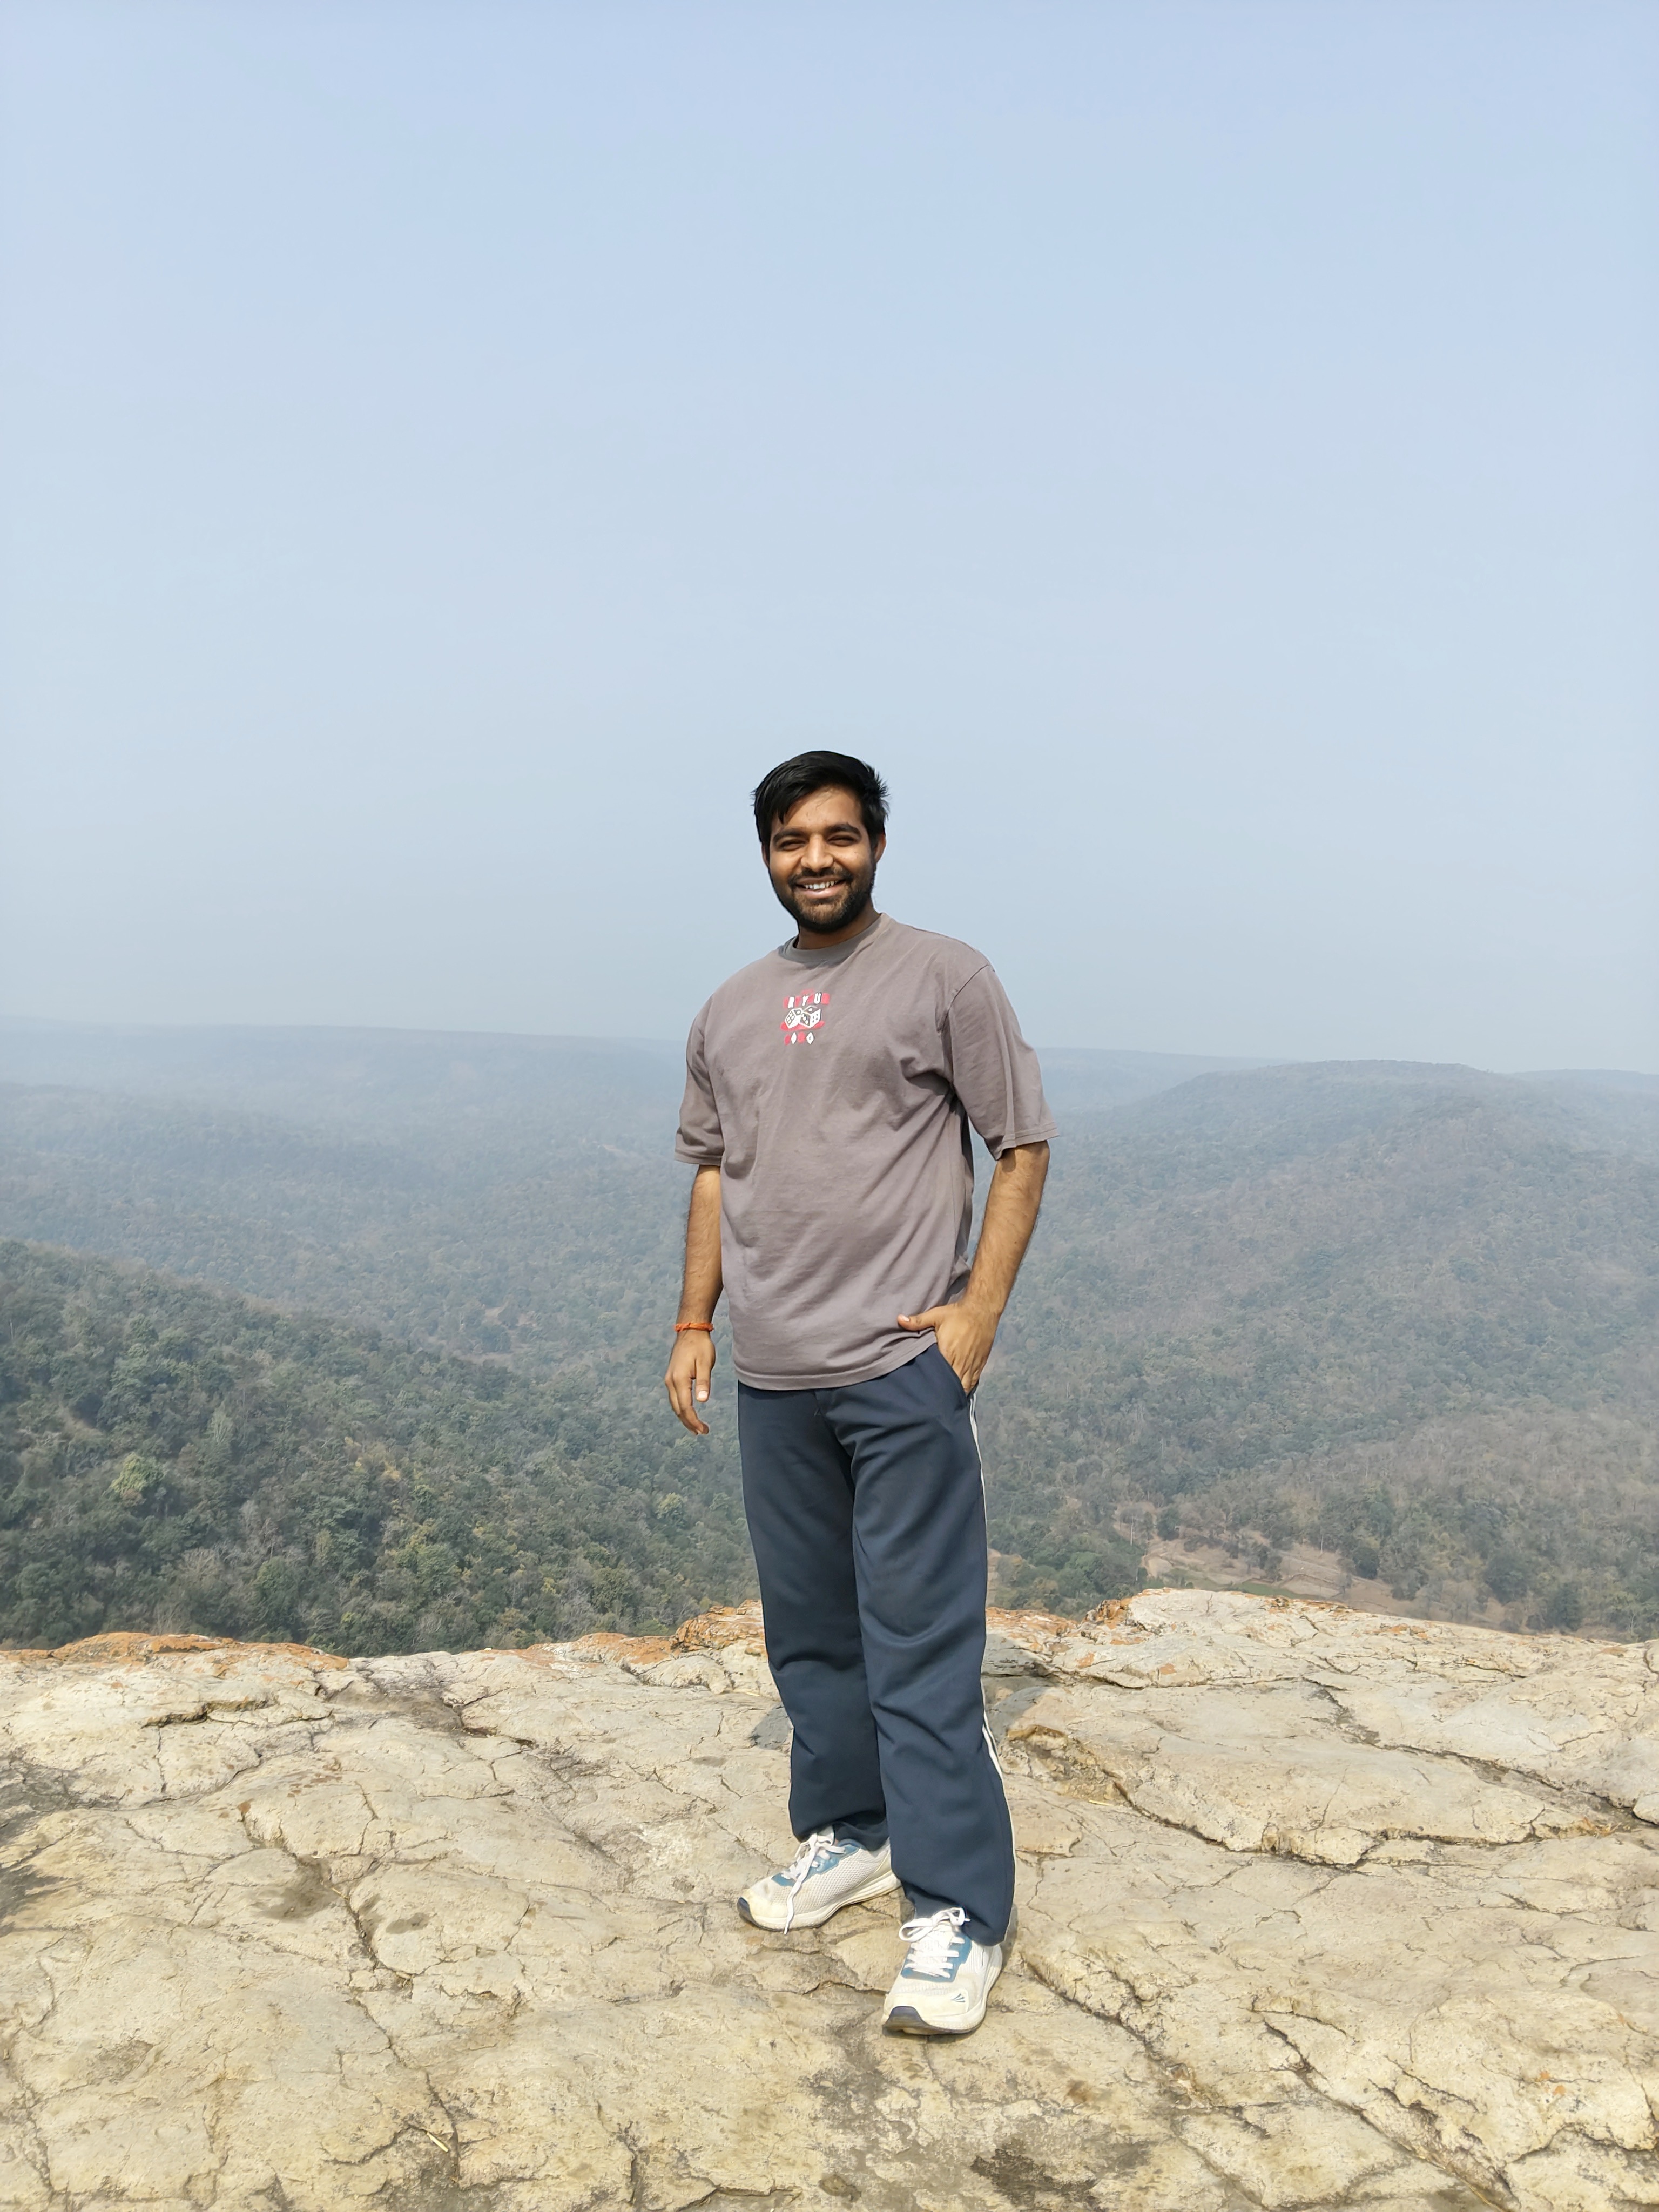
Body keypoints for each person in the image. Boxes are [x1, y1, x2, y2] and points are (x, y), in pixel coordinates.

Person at [664, 751, 1054, 2038]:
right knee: (813, 1634)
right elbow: (715, 1171)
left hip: (897, 1368)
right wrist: (694, 1320)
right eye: (792, 839)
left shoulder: (944, 975)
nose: (816, 858)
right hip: (775, 1374)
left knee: (918, 1643)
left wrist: (977, 1313)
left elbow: (1022, 1142)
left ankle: (960, 1907)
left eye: (839, 835)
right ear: (766, 853)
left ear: (876, 843)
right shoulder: (729, 1007)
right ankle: (853, 1829)